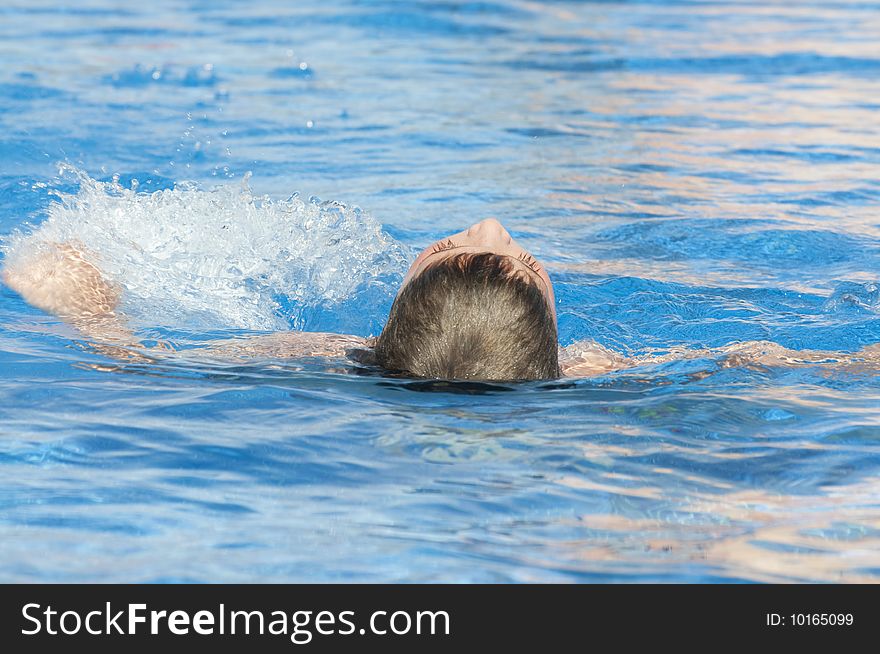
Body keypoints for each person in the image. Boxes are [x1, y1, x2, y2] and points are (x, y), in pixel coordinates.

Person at [2, 218, 878, 380]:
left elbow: (136, 367)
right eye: (523, 256)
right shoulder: (588, 371)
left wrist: (86, 303)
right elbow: (742, 360)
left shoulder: (316, 356)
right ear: (553, 337)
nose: (489, 219)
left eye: (449, 245)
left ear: (388, 318)